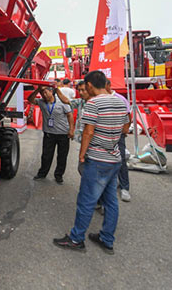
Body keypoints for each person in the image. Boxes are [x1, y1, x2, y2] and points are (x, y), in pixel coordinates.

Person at [53, 70, 129, 254]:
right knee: (111, 202)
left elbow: (88, 131)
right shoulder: (120, 100)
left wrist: (81, 154)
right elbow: (126, 127)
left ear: (89, 85)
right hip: (114, 159)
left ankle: (76, 239)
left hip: (97, 159)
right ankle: (107, 239)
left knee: (86, 200)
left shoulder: (94, 103)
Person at [28, 86, 74, 184]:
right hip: (49, 134)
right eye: (42, 93)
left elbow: (70, 115)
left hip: (63, 134)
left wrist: (71, 129)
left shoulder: (62, 101)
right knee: (46, 155)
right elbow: (30, 100)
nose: (44, 95)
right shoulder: (41, 102)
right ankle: (42, 173)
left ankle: (58, 176)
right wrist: (37, 90)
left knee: (62, 156)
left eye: (45, 92)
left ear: (51, 91)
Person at [106, 80, 132, 202]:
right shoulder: (99, 98)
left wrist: (124, 130)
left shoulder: (120, 99)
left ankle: (124, 188)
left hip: (117, 134)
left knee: (120, 159)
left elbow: (128, 115)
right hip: (104, 134)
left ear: (107, 86)